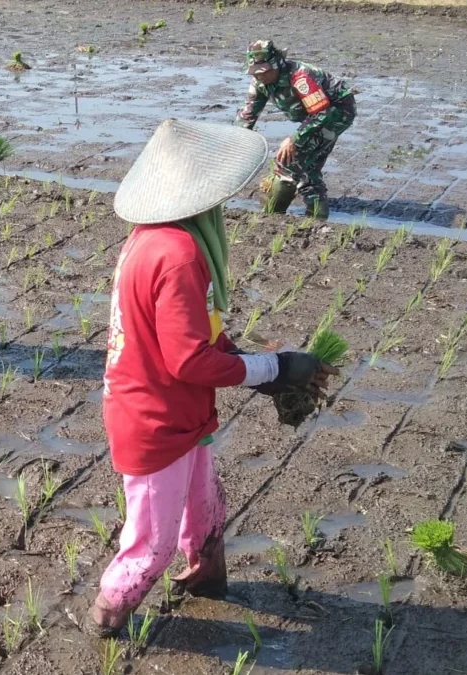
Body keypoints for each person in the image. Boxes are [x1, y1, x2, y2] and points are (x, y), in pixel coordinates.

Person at [86, 119, 336, 636]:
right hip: (155, 418)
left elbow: (196, 340)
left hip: (180, 410)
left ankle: (206, 579)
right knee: (149, 546)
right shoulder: (177, 256)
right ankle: (104, 618)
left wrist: (263, 372)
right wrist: (275, 367)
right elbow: (189, 361)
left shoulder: (153, 239)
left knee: (204, 505)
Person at [235, 40, 356, 219]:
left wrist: (294, 139)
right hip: (314, 115)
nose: (259, 76)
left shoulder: (300, 77)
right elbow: (248, 115)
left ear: (277, 65)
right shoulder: (260, 82)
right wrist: (234, 144)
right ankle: (316, 216)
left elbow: (322, 113)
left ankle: (273, 215)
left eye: (264, 72)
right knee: (308, 165)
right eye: (255, 72)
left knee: (291, 160)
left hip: (336, 112)